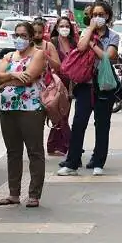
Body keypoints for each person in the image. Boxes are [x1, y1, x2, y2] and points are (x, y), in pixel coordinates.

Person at [57, 0, 119, 177]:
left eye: (101, 15)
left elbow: (108, 57)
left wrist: (94, 44)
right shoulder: (86, 32)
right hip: (85, 85)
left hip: (104, 86)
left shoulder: (113, 36)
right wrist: (90, 31)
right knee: (78, 123)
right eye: (94, 15)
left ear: (107, 16)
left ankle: (98, 161)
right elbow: (81, 46)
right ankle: (72, 162)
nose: (97, 18)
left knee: (102, 125)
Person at [0, 22, 46, 208]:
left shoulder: (38, 54)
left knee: (34, 151)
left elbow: (30, 77)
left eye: (24, 35)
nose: (19, 39)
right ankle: (13, 194)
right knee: (13, 152)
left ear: (31, 37)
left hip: (30, 108)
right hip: (8, 108)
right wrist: (15, 76)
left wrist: (6, 81)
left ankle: (34, 195)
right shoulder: (9, 55)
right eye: (17, 35)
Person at [46, 16, 77, 156]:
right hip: (57, 82)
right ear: (57, 28)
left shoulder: (73, 43)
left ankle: (55, 145)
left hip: (70, 83)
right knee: (59, 115)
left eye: (67, 26)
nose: (65, 28)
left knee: (64, 114)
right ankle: (69, 143)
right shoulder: (52, 42)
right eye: (62, 26)